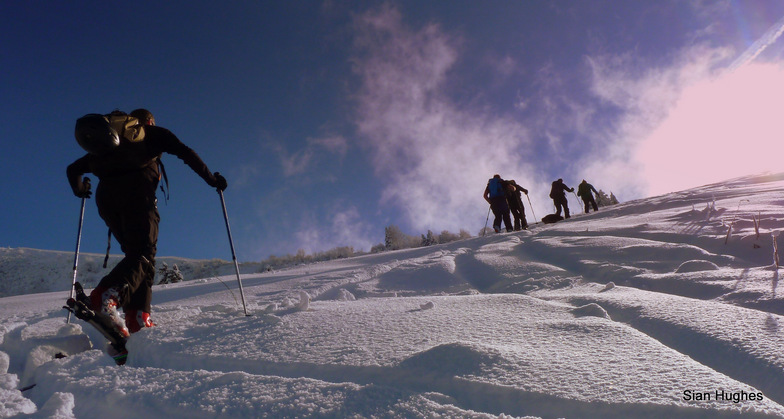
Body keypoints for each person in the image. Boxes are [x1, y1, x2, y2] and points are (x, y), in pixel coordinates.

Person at [67, 109, 227, 337]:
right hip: (137, 194)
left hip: (107, 201)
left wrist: (81, 190)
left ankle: (137, 317)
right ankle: (106, 296)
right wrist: (213, 180)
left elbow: (72, 170)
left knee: (139, 257)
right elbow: (186, 153)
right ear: (148, 122)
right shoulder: (151, 134)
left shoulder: (112, 143)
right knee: (143, 253)